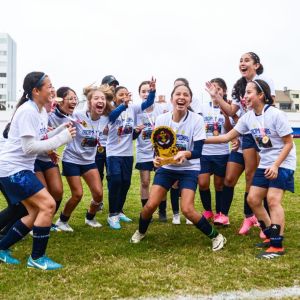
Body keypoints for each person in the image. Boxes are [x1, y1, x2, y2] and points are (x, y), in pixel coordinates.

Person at [205, 79, 296, 258]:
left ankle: (277, 245)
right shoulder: (247, 117)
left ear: (261, 95)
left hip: (282, 163)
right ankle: (271, 235)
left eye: (248, 93)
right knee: (253, 199)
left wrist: (276, 165)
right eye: (244, 93)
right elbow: (226, 137)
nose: (244, 97)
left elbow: (288, 143)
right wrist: (199, 140)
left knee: (272, 199)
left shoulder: (276, 114)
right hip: (265, 164)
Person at [130, 84, 227, 252]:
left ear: (190, 100)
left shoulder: (196, 119)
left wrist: (185, 154)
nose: (181, 97)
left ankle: (217, 236)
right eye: (178, 94)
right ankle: (141, 231)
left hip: (189, 169)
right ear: (171, 98)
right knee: (150, 205)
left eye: (186, 95)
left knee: (188, 210)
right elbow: (158, 146)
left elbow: (197, 151)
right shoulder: (162, 119)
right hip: (167, 168)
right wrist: (157, 158)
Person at [0, 72, 75, 269]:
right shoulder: (27, 111)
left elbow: (40, 137)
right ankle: (37, 258)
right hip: (13, 169)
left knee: (33, 211)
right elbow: (29, 147)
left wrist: (60, 130)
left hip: (20, 168)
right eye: (49, 86)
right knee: (48, 205)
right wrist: (63, 139)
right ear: (35, 91)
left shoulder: (41, 111)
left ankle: (1, 248)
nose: (53, 89)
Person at [208, 52, 275, 235]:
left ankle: (254, 218)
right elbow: (231, 110)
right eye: (240, 60)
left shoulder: (265, 81)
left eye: (247, 60)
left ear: (257, 65)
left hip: (260, 135)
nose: (242, 63)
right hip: (244, 134)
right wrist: (217, 98)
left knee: (253, 177)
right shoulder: (240, 86)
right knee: (230, 178)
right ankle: (231, 215)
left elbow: (271, 107)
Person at [55, 86, 116, 232]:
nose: (100, 101)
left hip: (89, 161)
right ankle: (62, 221)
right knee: (77, 194)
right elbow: (61, 114)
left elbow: (119, 109)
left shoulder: (105, 118)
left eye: (102, 98)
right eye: (96, 98)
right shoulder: (78, 114)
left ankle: (90, 217)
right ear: (89, 102)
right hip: (71, 159)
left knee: (99, 194)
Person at [106, 78, 156, 230]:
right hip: (113, 153)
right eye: (121, 95)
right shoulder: (111, 109)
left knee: (126, 183)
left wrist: (153, 91)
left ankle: (119, 211)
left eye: (126, 94)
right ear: (114, 98)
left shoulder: (133, 108)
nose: (124, 96)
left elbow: (147, 104)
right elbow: (112, 117)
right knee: (115, 182)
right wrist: (123, 105)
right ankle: (112, 215)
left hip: (127, 153)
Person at [135, 81, 170, 220]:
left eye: (148, 91)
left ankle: (162, 211)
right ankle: (146, 212)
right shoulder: (136, 111)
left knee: (161, 182)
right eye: (143, 91)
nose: (145, 94)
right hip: (143, 152)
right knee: (145, 182)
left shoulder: (161, 109)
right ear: (139, 94)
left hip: (160, 152)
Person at [198, 78, 230, 224]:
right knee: (203, 182)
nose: (215, 91)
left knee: (219, 184)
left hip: (221, 153)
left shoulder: (228, 107)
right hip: (204, 152)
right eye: (213, 88)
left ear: (224, 91)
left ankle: (219, 213)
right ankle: (207, 211)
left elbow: (231, 131)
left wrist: (226, 117)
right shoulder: (203, 107)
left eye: (218, 89)